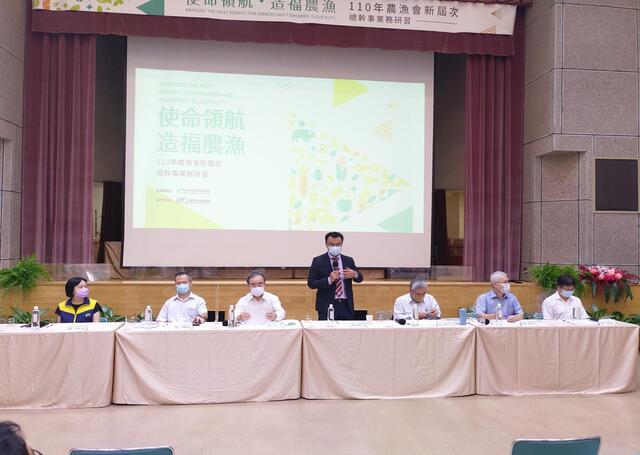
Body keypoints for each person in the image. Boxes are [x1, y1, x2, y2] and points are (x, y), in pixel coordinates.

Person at [307, 231, 363, 320]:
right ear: (326, 244)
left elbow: (360, 278)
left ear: (342, 244)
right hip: (326, 305)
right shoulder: (318, 261)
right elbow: (311, 283)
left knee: (346, 329)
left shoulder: (348, 260)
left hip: (346, 305)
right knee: (326, 329)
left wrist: (355, 274)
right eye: (332, 244)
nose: (335, 247)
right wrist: (329, 280)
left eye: (338, 244)